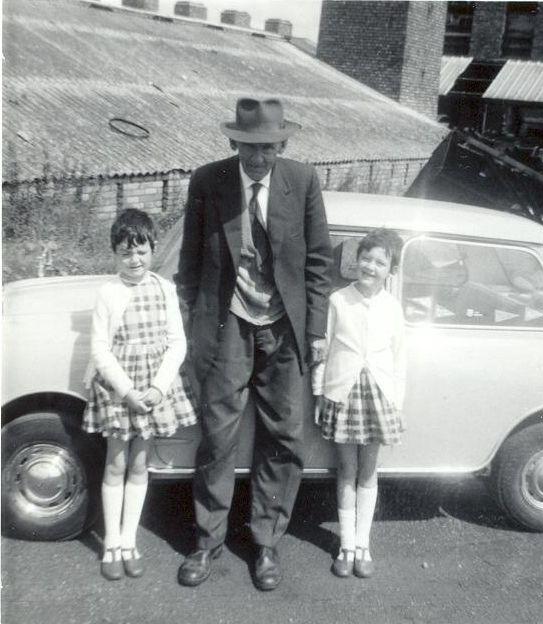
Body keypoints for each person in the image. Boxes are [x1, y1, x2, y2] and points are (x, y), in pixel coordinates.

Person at [175, 97, 332, 591]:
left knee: (284, 437)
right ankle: (206, 542)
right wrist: (187, 329)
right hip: (228, 325)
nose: (258, 157)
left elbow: (319, 263)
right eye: (248, 146)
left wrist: (316, 330)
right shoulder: (208, 181)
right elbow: (190, 265)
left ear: (282, 145)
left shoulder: (303, 181)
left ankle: (266, 543)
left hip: (285, 327)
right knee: (218, 435)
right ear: (233, 142)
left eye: (267, 148)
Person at [83, 208, 196, 581]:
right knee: (115, 463)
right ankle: (111, 542)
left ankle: (130, 540)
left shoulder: (165, 289)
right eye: (126, 253)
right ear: (115, 254)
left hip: (152, 391)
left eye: (142, 251)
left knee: (139, 465)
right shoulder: (107, 293)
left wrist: (157, 388)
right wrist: (128, 391)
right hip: (121, 391)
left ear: (153, 249)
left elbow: (176, 344)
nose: (135, 260)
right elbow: (100, 350)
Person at [312, 229, 406, 579]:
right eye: (366, 258)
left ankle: (364, 543)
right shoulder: (339, 300)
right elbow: (323, 352)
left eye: (380, 262)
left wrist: (396, 400)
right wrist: (320, 393)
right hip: (343, 392)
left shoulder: (392, 307)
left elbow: (399, 359)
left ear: (390, 270)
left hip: (378, 395)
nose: (371, 266)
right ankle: (346, 544)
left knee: (368, 471)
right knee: (346, 471)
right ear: (356, 261)